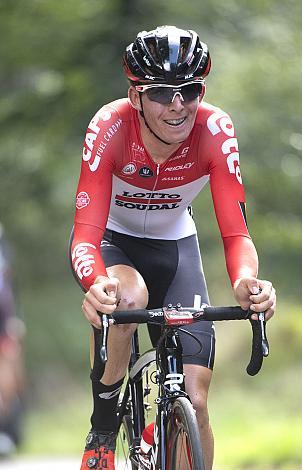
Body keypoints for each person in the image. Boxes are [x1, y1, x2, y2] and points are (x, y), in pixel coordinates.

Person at [70, 25, 276, 470]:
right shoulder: (109, 127)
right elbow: (85, 233)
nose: (178, 104)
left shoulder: (215, 130)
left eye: (190, 90)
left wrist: (246, 282)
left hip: (175, 245)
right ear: (136, 96)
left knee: (196, 403)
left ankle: (168, 427)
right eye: (162, 92)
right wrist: (94, 281)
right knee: (128, 297)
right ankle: (104, 428)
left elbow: (237, 233)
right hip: (114, 241)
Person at [0, 224, 25, 457]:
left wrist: (16, 320)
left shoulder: (4, 250)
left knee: (8, 379)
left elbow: (10, 289)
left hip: (3, 321)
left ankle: (4, 432)